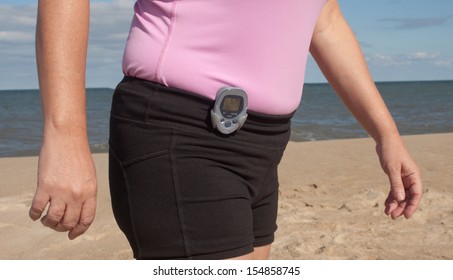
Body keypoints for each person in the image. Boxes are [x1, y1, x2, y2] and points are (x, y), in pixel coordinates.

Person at [30, 0, 423, 260]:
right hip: (180, 133)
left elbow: (325, 18)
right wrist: (65, 134)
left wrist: (386, 134)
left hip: (265, 144)